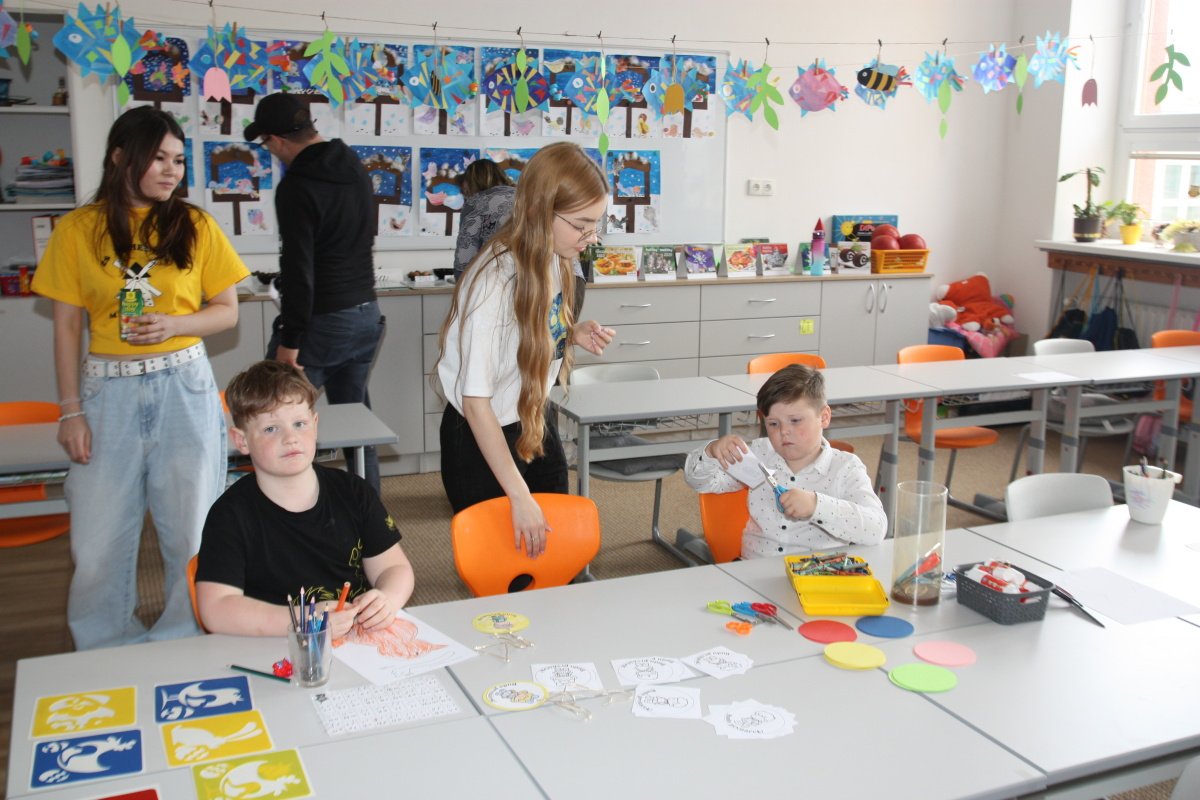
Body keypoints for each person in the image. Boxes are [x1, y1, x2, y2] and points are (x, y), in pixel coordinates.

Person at [31, 106, 249, 649]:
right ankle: (103, 645)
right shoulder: (77, 230)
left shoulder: (195, 224)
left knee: (193, 530)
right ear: (120, 157)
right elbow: (66, 329)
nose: (172, 171)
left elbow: (227, 311)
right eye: (159, 158)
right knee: (97, 538)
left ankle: (185, 637)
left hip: (184, 386)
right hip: (106, 393)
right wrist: (69, 410)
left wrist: (175, 323)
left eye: (179, 160)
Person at [436, 142, 615, 558]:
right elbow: (476, 403)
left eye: (596, 224)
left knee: (558, 550)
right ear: (539, 210)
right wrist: (518, 495)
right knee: (507, 566)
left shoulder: (553, 257)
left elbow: (525, 335)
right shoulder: (494, 283)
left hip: (530, 415)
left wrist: (569, 333)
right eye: (582, 225)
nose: (591, 238)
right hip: (482, 434)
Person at [195, 361, 414, 637]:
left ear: (315, 425)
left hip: (356, 641)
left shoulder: (353, 491)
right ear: (242, 441)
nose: (291, 438)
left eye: (299, 424)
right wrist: (302, 620)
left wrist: (387, 599)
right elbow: (216, 609)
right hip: (274, 644)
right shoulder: (229, 515)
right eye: (271, 429)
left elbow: (394, 567)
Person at [246, 92, 385, 494]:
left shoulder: (297, 187)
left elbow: (299, 270)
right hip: (365, 315)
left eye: (266, 144)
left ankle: (274, 510)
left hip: (323, 321)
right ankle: (370, 514)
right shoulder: (355, 167)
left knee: (269, 414)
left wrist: (290, 341)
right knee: (357, 422)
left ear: (276, 140)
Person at [684, 364, 886, 558]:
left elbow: (876, 528)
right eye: (773, 424)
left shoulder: (845, 467)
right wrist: (710, 452)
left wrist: (817, 506)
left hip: (817, 573)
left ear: (824, 417)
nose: (784, 431)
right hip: (754, 567)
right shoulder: (759, 455)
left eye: (795, 420)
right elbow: (701, 483)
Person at [453, 159, 516, 279]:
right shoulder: (526, 197)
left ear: (472, 181)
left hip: (493, 275)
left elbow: (466, 250)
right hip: (530, 274)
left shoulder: (475, 203)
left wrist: (460, 280)